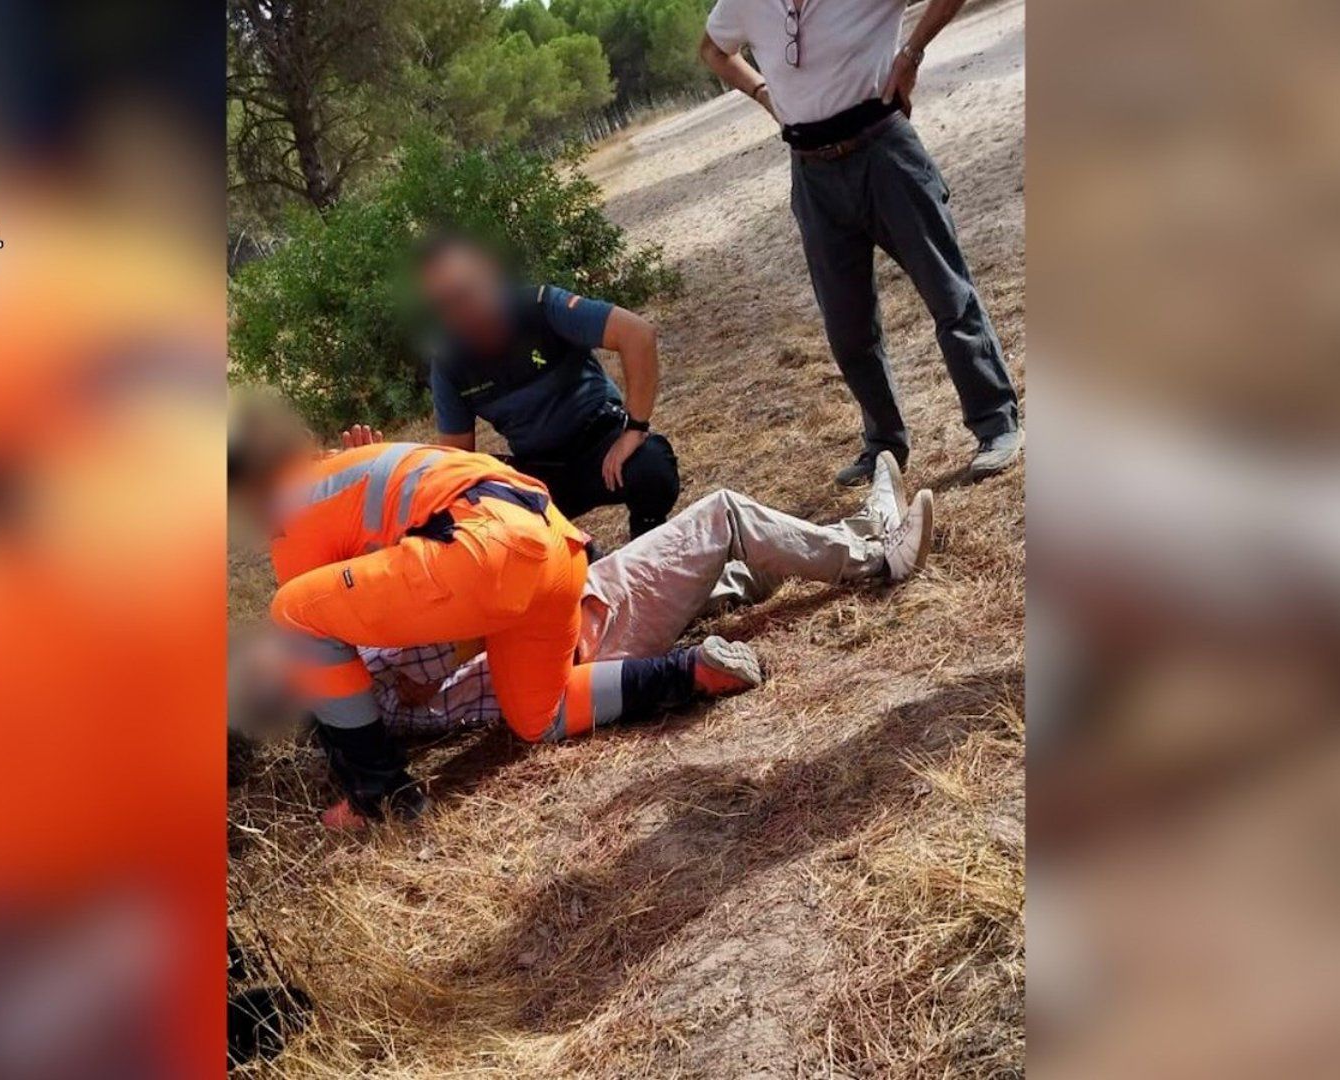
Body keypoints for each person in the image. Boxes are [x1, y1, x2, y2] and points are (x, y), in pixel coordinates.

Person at [226, 394, 759, 824]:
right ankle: (694, 671)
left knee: (294, 613)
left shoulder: (292, 514)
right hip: (551, 542)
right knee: (539, 717)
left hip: (481, 551)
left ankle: (382, 797)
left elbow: (324, 646)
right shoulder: (346, 469)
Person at [232, 447, 933, 745]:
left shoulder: (349, 673)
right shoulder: (365, 668)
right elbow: (463, 615)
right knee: (721, 518)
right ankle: (875, 560)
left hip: (574, 622)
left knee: (724, 575)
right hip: (584, 625)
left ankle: (859, 528)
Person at [698, 0, 1023, 486]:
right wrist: (763, 91)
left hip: (884, 153)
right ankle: (885, 446)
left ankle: (996, 424)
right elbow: (712, 50)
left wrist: (911, 54)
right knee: (847, 326)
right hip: (811, 172)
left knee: (947, 295)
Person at [418, 234, 680, 537]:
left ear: (487, 273)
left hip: (599, 442)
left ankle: (648, 534)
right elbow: (457, 463)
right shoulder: (450, 360)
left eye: (464, 293)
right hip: (540, 471)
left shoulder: (542, 307)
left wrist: (634, 429)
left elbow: (637, 334)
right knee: (477, 505)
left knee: (652, 466)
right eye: (444, 305)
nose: (460, 312)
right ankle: (574, 565)